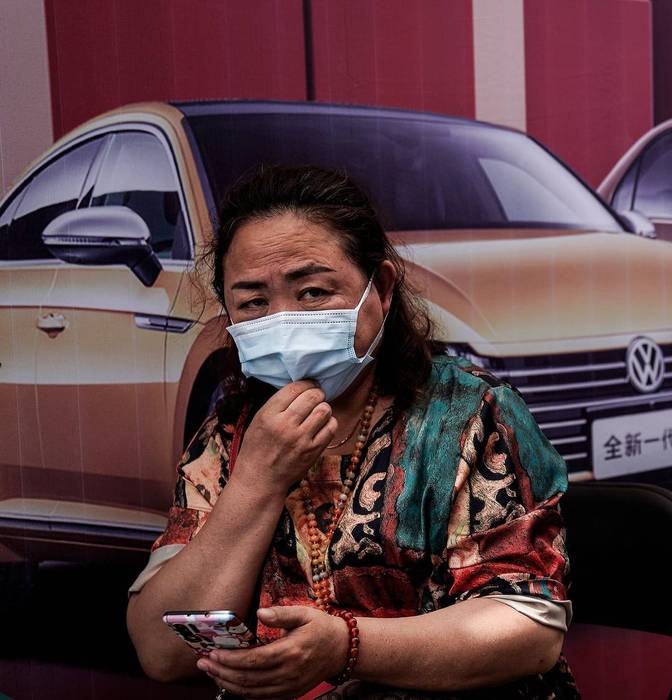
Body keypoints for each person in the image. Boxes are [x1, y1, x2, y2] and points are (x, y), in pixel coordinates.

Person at [126, 164, 578, 699]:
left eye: (314, 292)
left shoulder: (469, 413)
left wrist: (346, 646)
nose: (285, 320)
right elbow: (162, 650)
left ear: (381, 289)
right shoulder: (229, 434)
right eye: (253, 303)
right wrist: (256, 484)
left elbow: (528, 631)